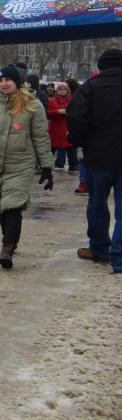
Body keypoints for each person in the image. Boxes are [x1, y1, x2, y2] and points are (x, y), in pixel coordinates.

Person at [0, 65, 53, 268]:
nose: (4, 84)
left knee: (12, 205)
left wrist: (47, 166)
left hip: (21, 164)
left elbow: (41, 137)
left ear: (18, 82)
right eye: (1, 81)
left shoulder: (33, 105)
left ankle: (7, 247)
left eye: (8, 80)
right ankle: (10, 240)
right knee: (0, 206)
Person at [67, 49, 122, 274]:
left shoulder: (90, 88)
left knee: (97, 204)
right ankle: (119, 259)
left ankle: (100, 249)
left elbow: (76, 117)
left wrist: (78, 141)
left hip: (98, 158)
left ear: (100, 66)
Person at [47, 82, 77, 173]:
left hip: (67, 127)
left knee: (70, 148)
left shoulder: (73, 100)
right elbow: (47, 113)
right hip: (55, 128)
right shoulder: (52, 100)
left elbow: (77, 112)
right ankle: (46, 166)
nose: (62, 91)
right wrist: (57, 111)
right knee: (52, 148)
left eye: (64, 90)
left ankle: (72, 166)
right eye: (60, 89)